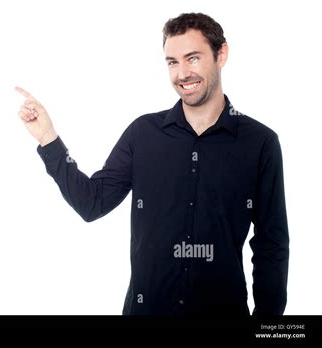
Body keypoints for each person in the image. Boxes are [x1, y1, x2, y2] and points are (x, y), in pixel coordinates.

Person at [15, 12, 289, 316]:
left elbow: (271, 246)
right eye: (172, 62)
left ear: (221, 54)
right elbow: (91, 203)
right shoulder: (143, 134)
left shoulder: (260, 143)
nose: (182, 73)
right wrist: (48, 139)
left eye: (193, 58)